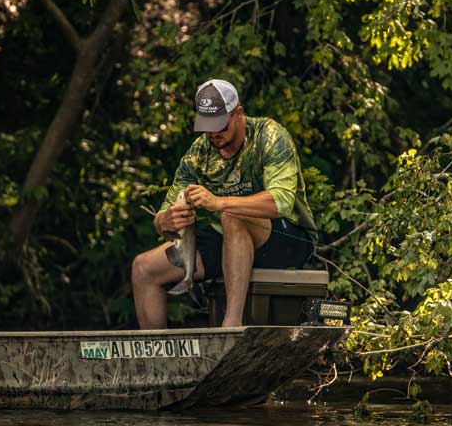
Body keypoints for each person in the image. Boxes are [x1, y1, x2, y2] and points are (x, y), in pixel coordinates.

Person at [132, 79, 318, 328]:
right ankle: (157, 360)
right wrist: (165, 220)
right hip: (226, 239)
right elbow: (165, 215)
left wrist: (219, 202)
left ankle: (230, 326)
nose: (213, 134)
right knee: (143, 268)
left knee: (231, 214)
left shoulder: (269, 135)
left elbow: (281, 201)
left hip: (285, 239)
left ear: (238, 114)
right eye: (207, 126)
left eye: (220, 125)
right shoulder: (198, 153)